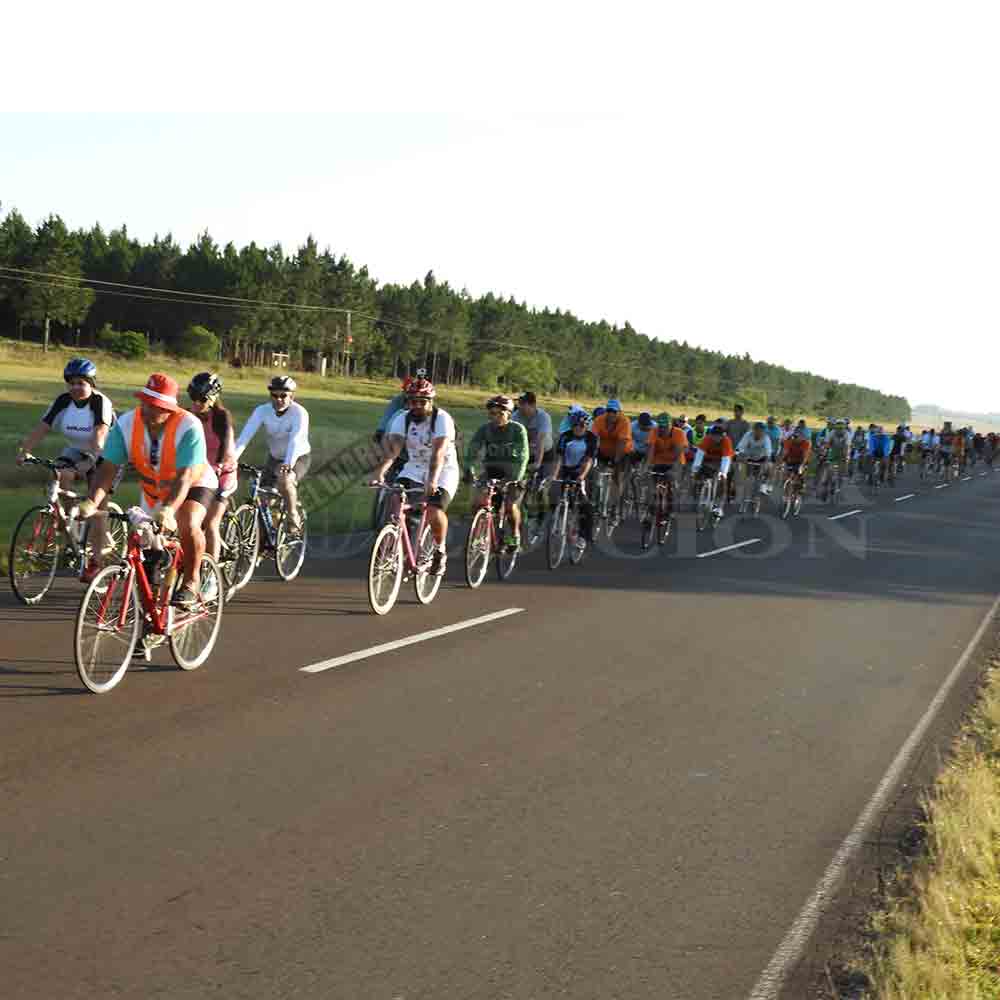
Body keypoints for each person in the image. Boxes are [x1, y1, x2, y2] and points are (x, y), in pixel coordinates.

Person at [79, 373, 217, 605]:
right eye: (145, 403)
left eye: (157, 406)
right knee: (147, 551)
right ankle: (150, 614)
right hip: (154, 491)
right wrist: (91, 502)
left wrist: (169, 510)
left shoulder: (188, 426)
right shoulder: (126, 424)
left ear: (170, 409)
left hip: (195, 483)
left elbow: (185, 477)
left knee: (188, 520)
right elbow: (107, 469)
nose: (149, 411)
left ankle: (192, 582)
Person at [370, 377, 460, 576]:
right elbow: (393, 451)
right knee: (395, 498)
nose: (417, 406)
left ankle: (439, 550)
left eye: (423, 401)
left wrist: (433, 481)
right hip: (414, 467)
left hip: (443, 470)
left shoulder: (441, 419)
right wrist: (380, 473)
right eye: (413, 401)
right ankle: (399, 544)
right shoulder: (403, 417)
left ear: (431, 401)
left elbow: (438, 453)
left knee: (434, 511)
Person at [16, 357, 115, 494]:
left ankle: (95, 512)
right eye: (71, 383)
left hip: (106, 452)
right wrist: (24, 451)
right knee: (60, 474)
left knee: (94, 502)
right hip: (76, 449)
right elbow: (42, 428)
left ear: (91, 385)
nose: (75, 387)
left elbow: (100, 433)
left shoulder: (100, 402)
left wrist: (91, 460)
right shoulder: (63, 401)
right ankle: (69, 513)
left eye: (81, 383)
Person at [234, 375, 310, 532]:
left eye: (283, 396)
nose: (278, 399)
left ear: (292, 396)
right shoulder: (262, 411)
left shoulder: (299, 413)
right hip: (275, 457)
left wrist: (288, 463)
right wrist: (232, 459)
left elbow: (295, 440)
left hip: (298, 457)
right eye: (274, 395)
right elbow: (244, 437)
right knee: (262, 497)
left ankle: (293, 513)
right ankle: (266, 536)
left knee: (285, 480)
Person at [465, 395, 530, 549]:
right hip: (491, 470)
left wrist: (514, 478)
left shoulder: (517, 430)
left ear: (509, 414)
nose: (495, 417)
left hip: (513, 472)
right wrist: (469, 469)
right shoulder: (485, 429)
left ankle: (514, 535)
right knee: (476, 503)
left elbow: (523, 456)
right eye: (492, 414)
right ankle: (481, 532)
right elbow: (472, 450)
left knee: (509, 505)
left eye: (499, 414)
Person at [186, 372, 237, 564]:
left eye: (201, 398)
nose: (196, 402)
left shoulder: (222, 416)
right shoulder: (189, 415)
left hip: (223, 473)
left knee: (210, 522)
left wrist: (218, 466)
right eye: (193, 397)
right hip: (199, 473)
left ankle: (211, 576)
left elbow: (225, 446)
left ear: (213, 397)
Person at [551, 410, 598, 545]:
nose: (578, 428)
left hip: (584, 471)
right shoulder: (565, 437)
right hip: (566, 469)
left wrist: (582, 476)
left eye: (581, 425)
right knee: (554, 496)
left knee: (585, 505)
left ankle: (584, 536)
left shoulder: (591, 438)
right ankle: (551, 522)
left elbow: (588, 460)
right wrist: (554, 475)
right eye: (575, 425)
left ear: (587, 426)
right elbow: (559, 458)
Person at [591, 399, 634, 518]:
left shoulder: (625, 421)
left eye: (614, 412)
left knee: (617, 478)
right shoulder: (599, 420)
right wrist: (591, 454)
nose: (611, 414)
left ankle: (615, 507)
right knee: (596, 474)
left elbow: (621, 442)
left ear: (619, 412)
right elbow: (593, 438)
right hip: (604, 451)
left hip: (623, 452)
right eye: (609, 411)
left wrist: (616, 461)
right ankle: (597, 501)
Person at [691, 421, 735, 519]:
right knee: (697, 474)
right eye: (715, 436)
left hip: (722, 459)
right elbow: (699, 454)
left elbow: (726, 459)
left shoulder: (726, 441)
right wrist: (695, 468)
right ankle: (700, 493)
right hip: (709, 459)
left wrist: (723, 473)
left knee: (723, 481)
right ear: (711, 435)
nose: (717, 438)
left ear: (723, 435)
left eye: (719, 436)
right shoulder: (707, 439)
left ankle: (720, 507)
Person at [513, 391, 554, 481]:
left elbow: (540, 440)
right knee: (520, 481)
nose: (519, 406)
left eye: (523, 404)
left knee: (542, 483)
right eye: (519, 403)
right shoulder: (516, 416)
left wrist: (537, 462)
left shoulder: (543, 417)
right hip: (527, 452)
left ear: (533, 405)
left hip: (545, 452)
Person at [735, 421, 774, 496]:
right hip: (748, 457)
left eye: (761, 431)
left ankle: (764, 484)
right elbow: (740, 447)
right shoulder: (748, 435)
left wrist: (766, 463)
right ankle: (744, 487)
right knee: (745, 472)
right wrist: (741, 457)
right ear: (753, 430)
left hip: (761, 457)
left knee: (769, 466)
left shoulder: (766, 438)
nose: (758, 432)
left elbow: (768, 453)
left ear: (763, 431)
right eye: (757, 430)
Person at [781, 427, 812, 499]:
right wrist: (782, 463)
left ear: (802, 437)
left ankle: (801, 487)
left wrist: (802, 465)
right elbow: (785, 453)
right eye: (794, 437)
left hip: (802, 460)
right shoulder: (788, 442)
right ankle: (786, 492)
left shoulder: (806, 443)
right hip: (791, 460)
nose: (795, 438)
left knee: (800, 472)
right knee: (785, 474)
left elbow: (805, 456)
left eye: (797, 437)